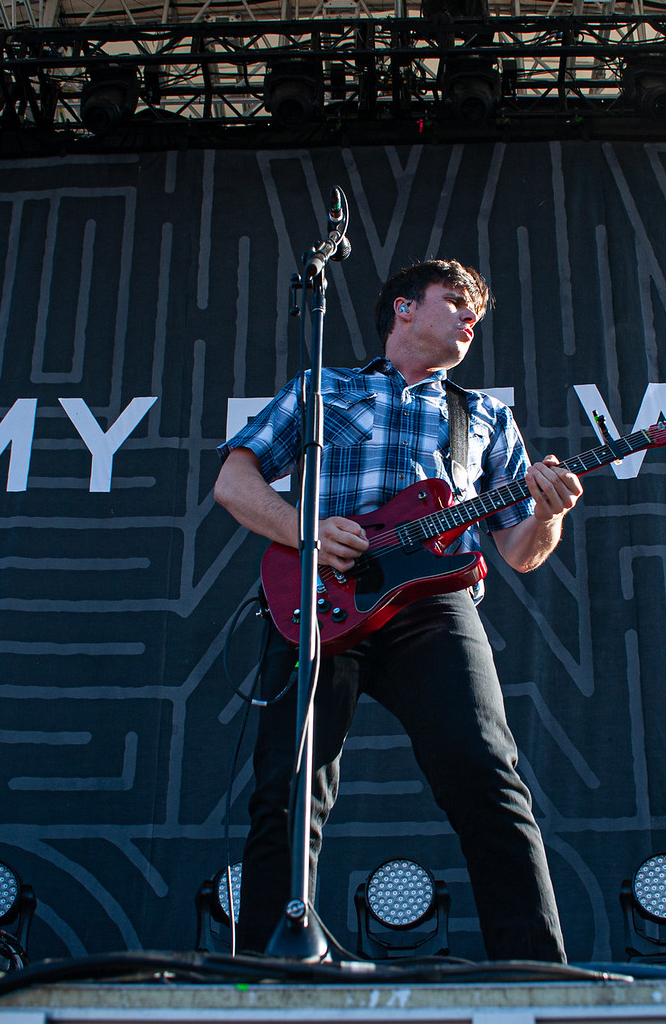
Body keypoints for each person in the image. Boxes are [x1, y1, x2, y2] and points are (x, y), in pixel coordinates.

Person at [214, 259, 583, 961]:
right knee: (288, 788)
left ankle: (537, 970)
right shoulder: (324, 388)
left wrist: (548, 512)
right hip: (322, 597)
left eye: (477, 311)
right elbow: (234, 480)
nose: (471, 317)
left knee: (487, 773)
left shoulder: (484, 416)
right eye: (457, 301)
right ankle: (267, 975)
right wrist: (304, 529)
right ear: (405, 308)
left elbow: (520, 551)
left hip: (434, 606)